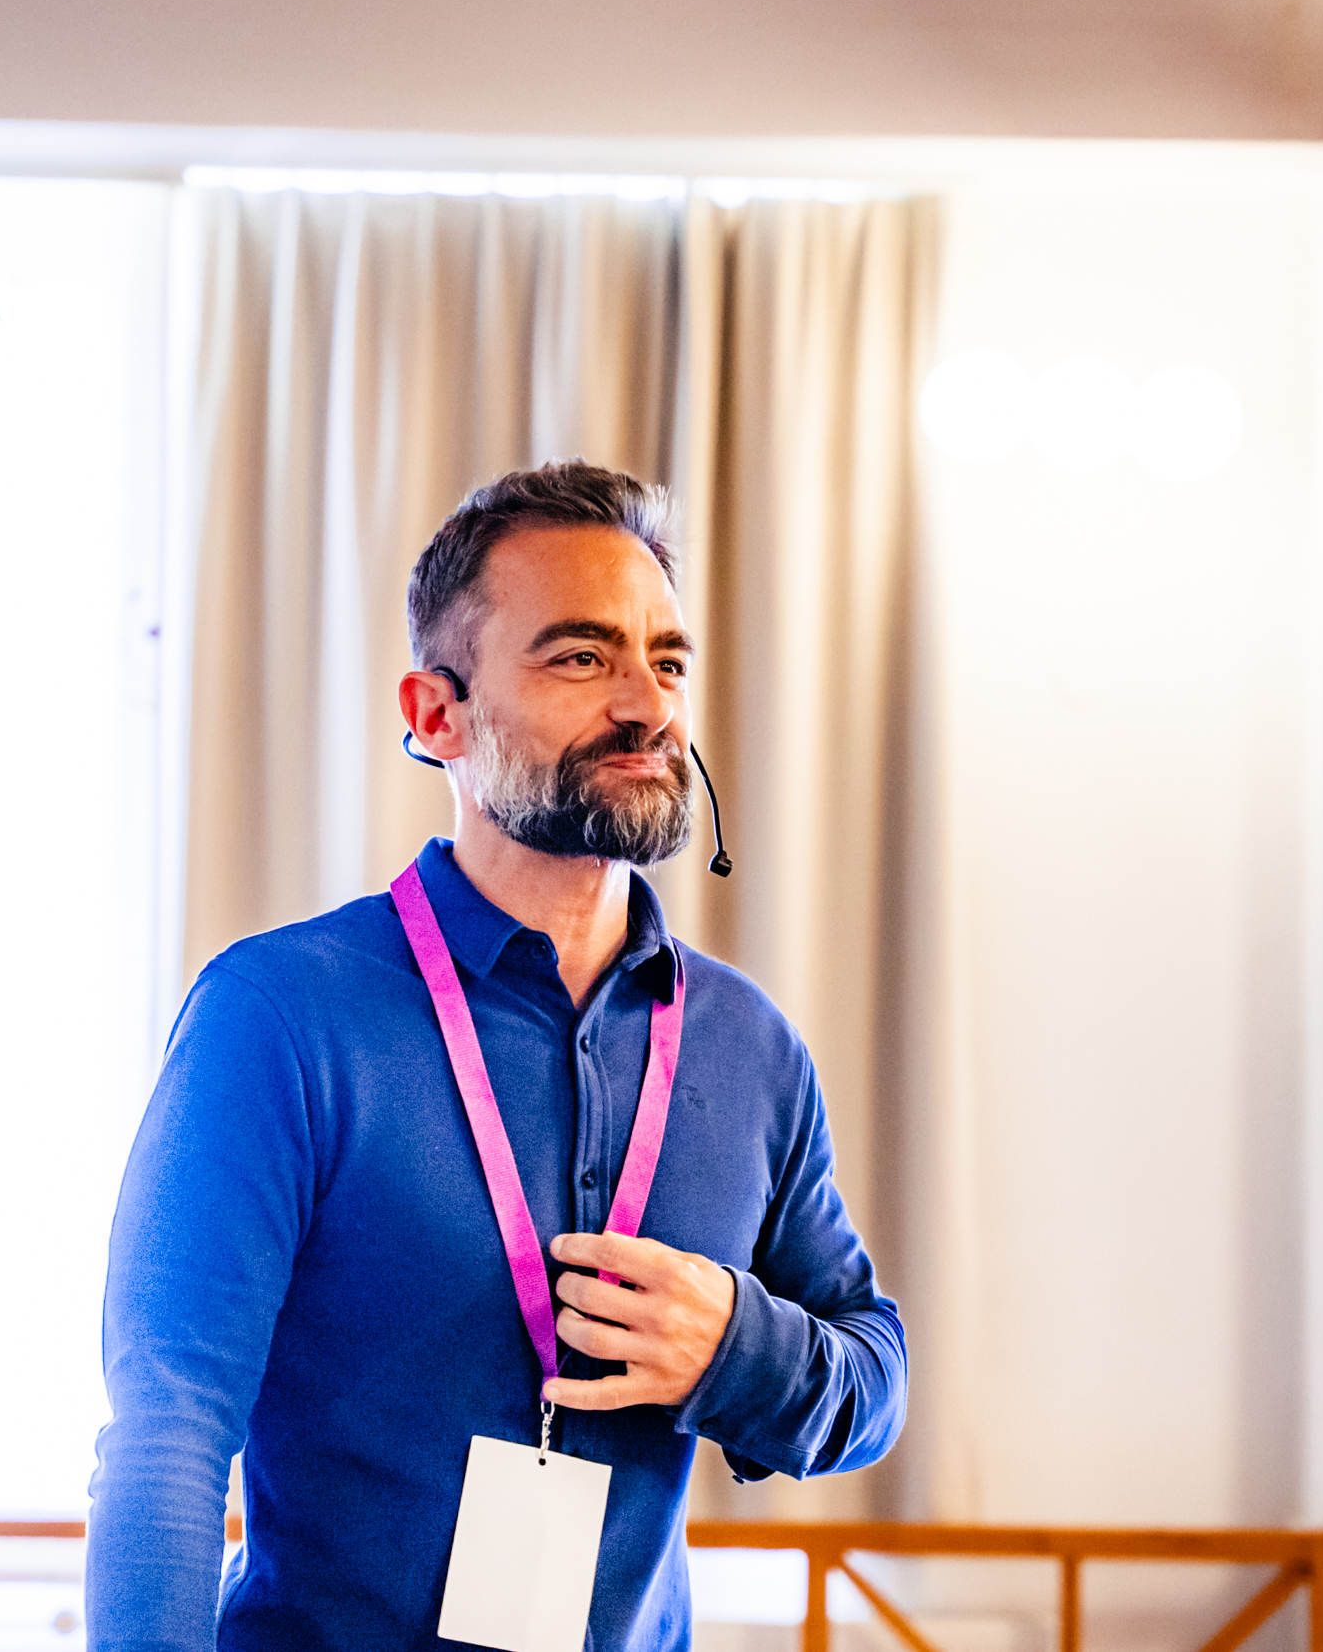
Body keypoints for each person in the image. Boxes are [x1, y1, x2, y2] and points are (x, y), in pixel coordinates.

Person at [88, 461, 905, 1652]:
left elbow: (872, 1381)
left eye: (667, 660)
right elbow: (166, 1431)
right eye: (580, 656)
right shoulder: (275, 1016)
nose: (648, 705)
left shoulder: (751, 1047)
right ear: (436, 715)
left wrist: (731, 1343)